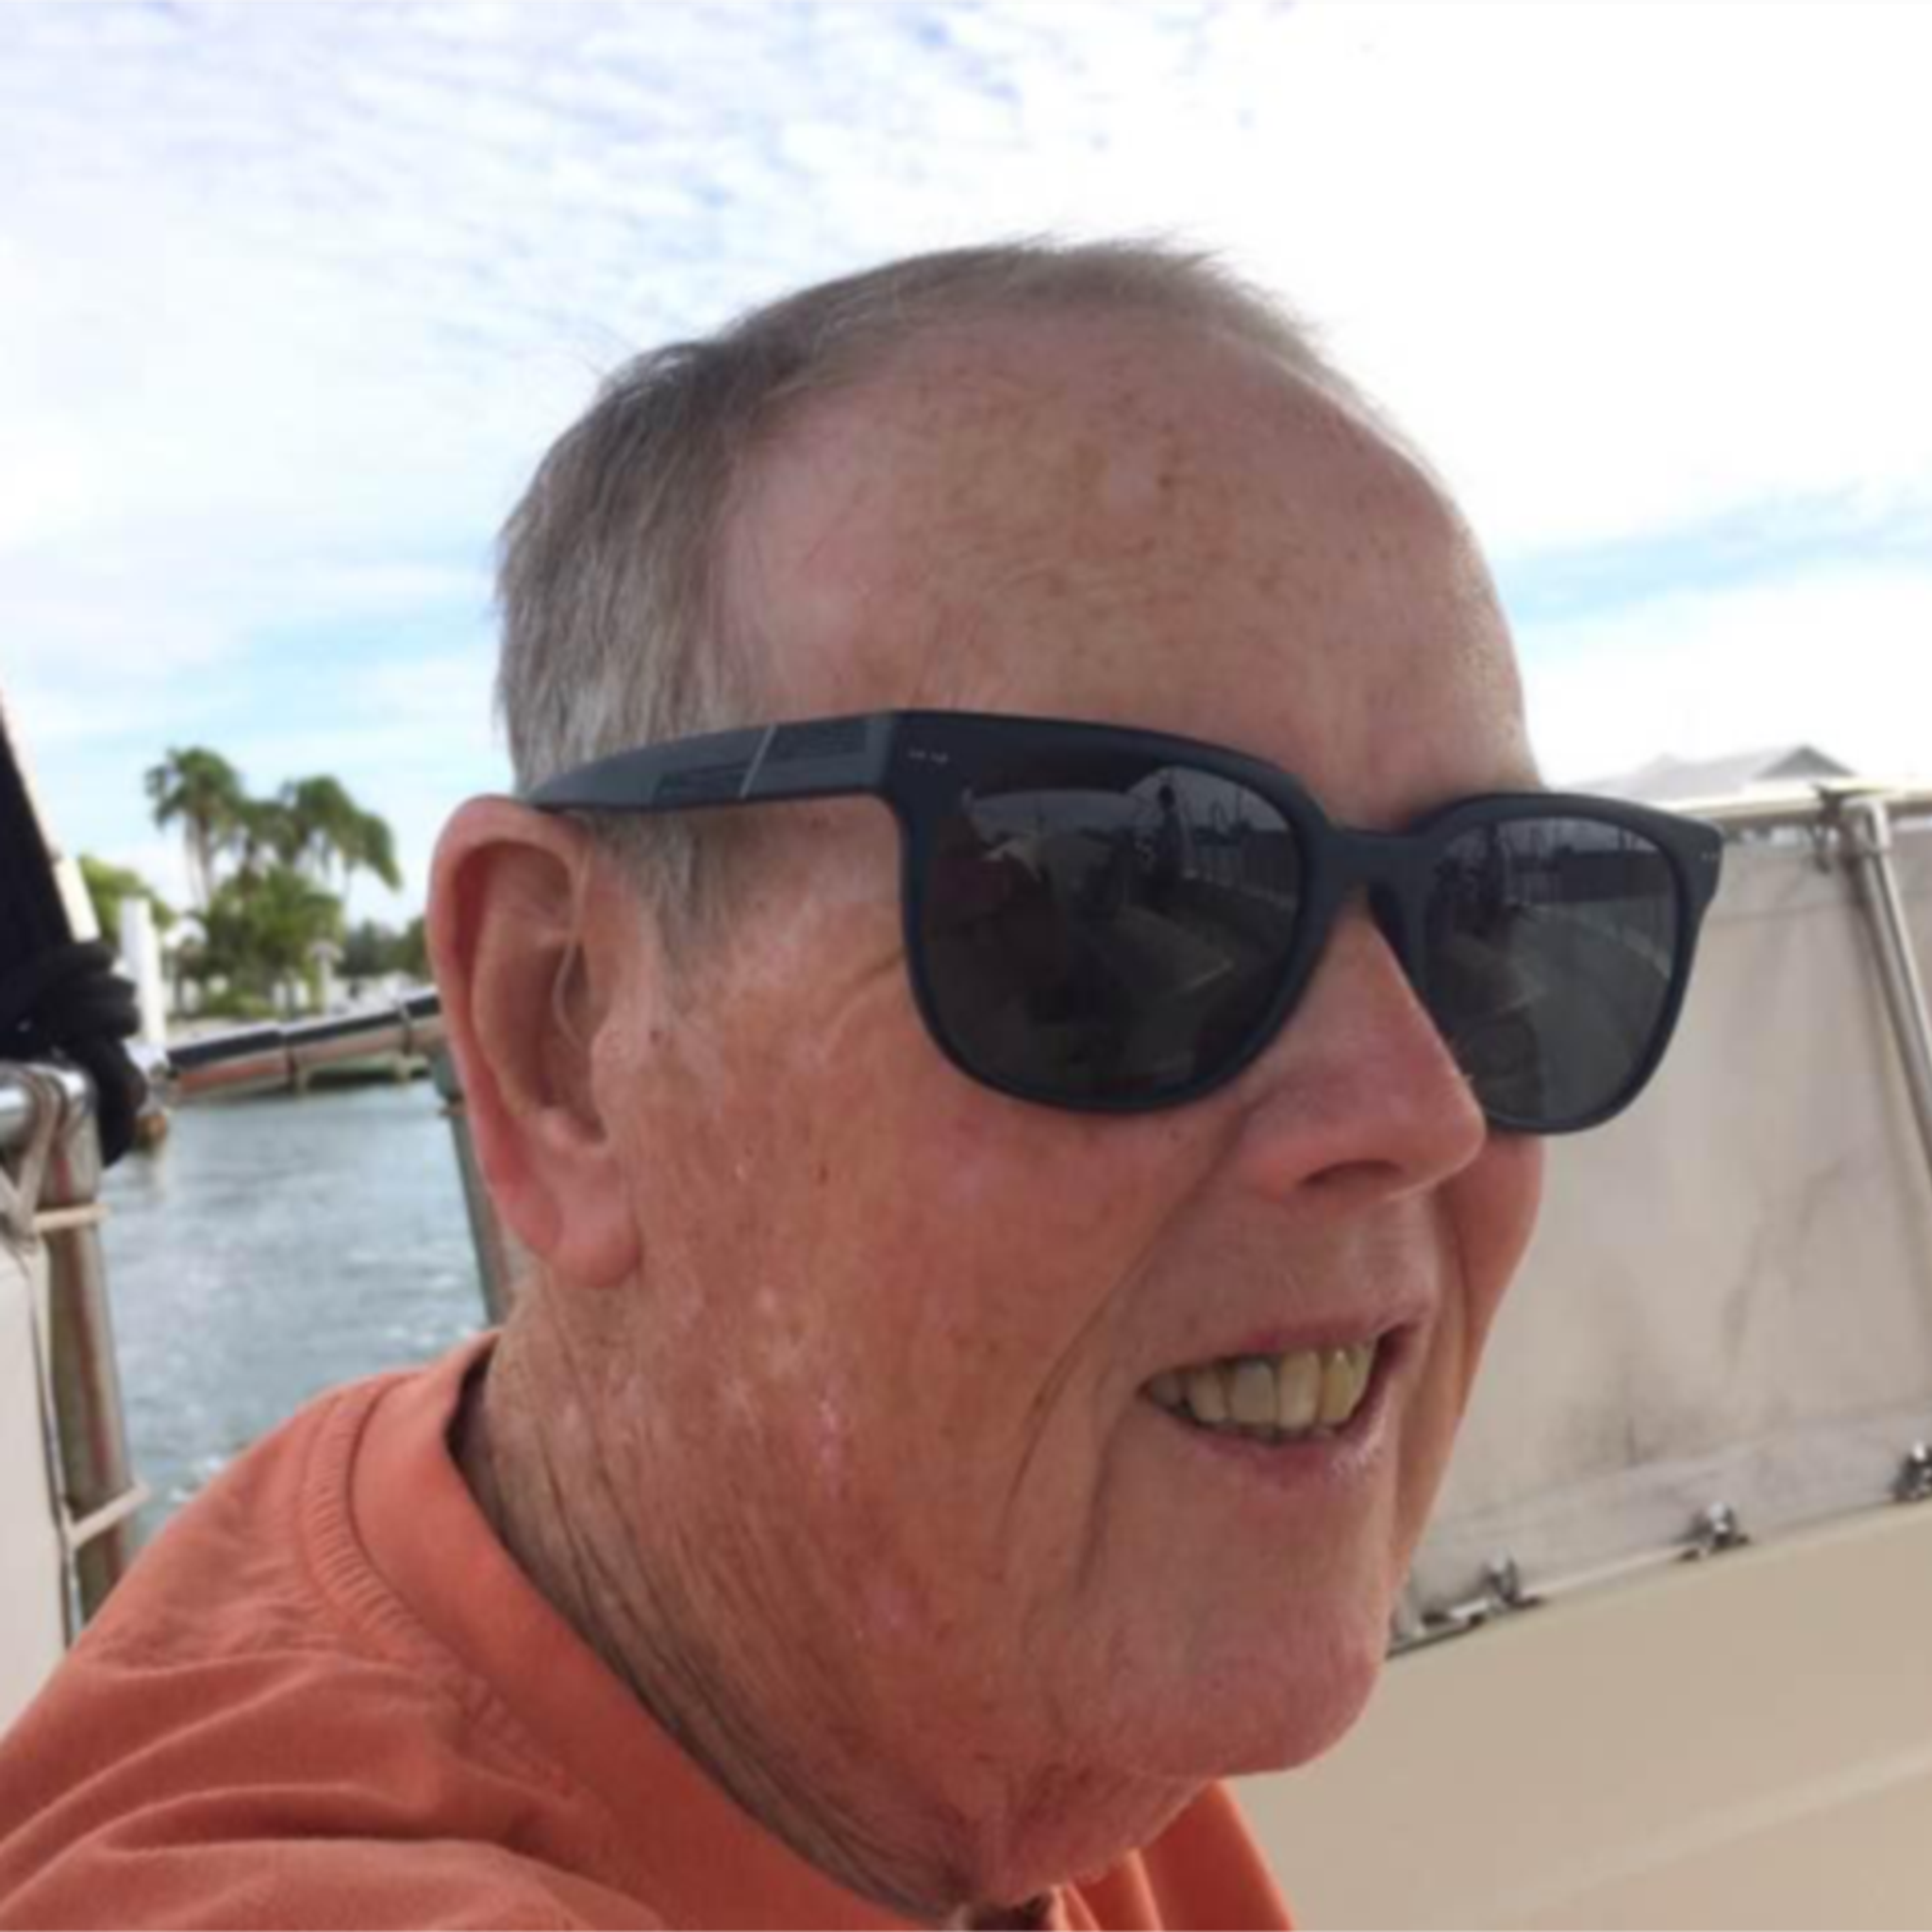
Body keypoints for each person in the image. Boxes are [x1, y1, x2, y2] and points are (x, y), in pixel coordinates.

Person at [0, 241, 1722, 1929]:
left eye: (1493, 906)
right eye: (1114, 904)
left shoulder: (962, 1659)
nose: (1422, 1107)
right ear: (564, 1038)